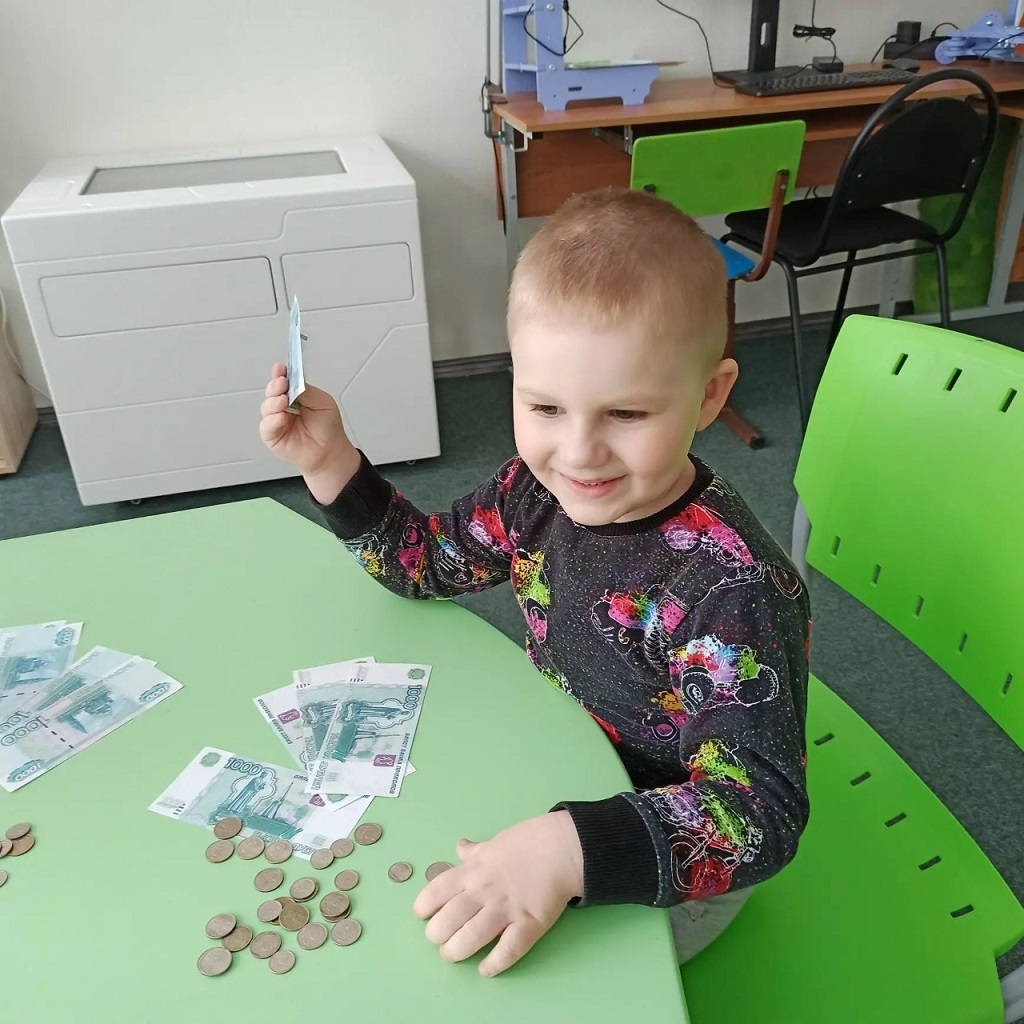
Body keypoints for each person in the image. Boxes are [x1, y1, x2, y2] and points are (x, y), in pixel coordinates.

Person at [259, 187, 811, 979]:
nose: (578, 452)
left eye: (626, 414)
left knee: (500, 979)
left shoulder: (727, 589)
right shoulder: (532, 492)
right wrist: (329, 461)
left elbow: (759, 816)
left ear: (710, 396)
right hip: (561, 765)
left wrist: (567, 849)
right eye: (546, 406)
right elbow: (425, 563)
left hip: (664, 857)